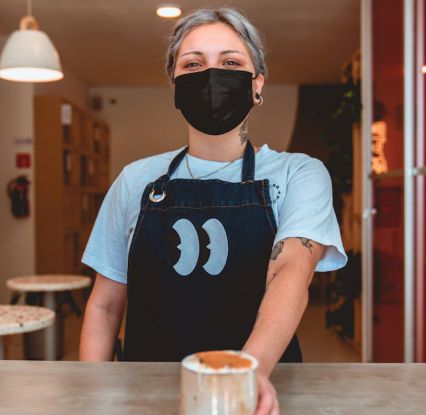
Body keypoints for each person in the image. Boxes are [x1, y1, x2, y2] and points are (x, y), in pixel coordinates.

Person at [79, 7, 347, 414]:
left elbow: (290, 271)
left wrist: (247, 373)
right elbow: (105, 303)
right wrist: (92, 395)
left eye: (231, 62)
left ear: (257, 85)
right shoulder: (135, 181)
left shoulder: (300, 173)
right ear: (175, 84)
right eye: (193, 64)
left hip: (259, 393)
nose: (211, 75)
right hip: (149, 397)